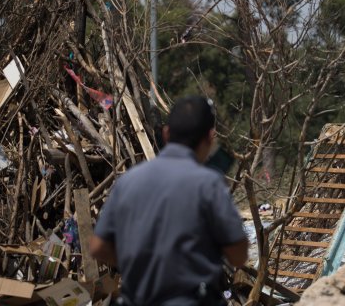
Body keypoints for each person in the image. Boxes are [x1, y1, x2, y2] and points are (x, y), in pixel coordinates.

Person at [91, 96, 248, 305]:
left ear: (166, 133)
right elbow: (238, 255)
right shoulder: (209, 184)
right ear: (210, 138)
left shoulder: (129, 181)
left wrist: (137, 266)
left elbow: (97, 246)